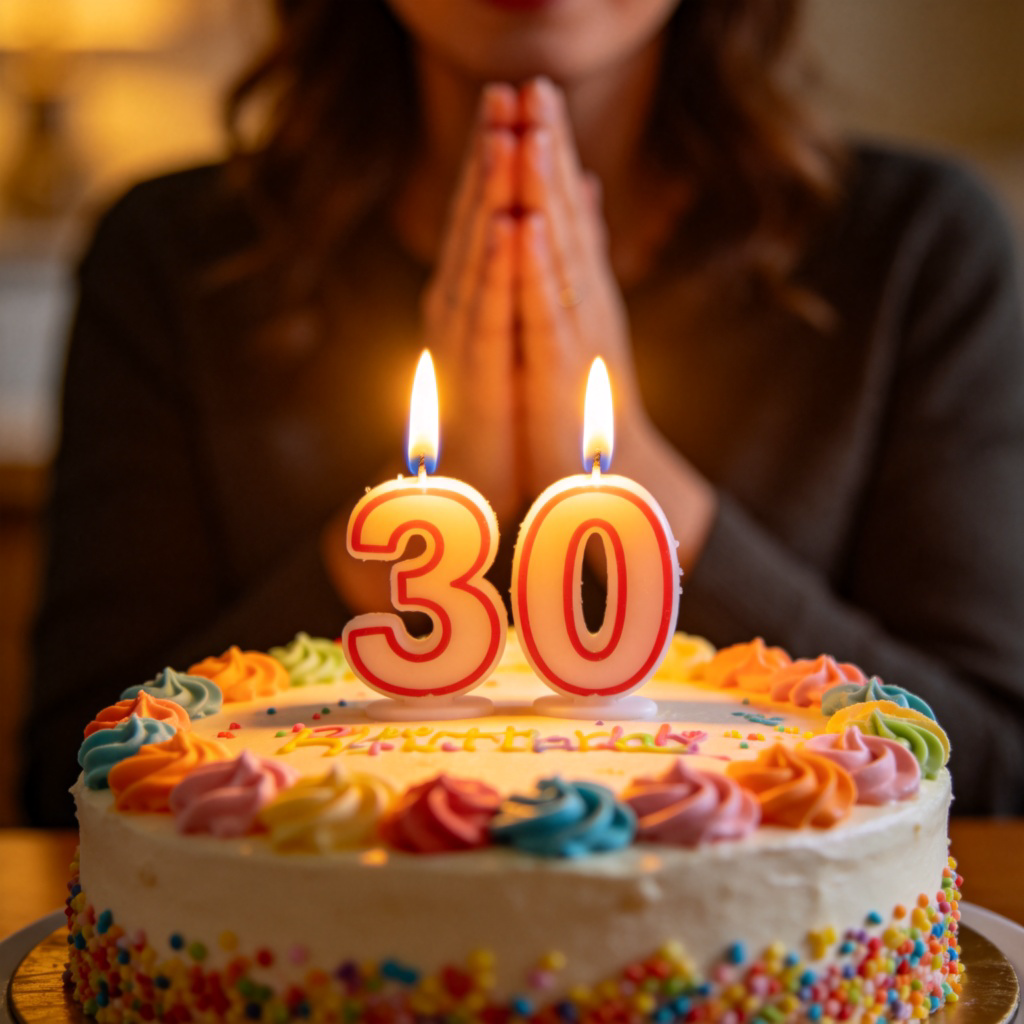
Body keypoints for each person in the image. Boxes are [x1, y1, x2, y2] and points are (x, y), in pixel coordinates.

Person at [22, 0, 1024, 825]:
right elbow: (69, 780)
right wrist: (423, 521)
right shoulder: (171, 258)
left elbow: (992, 775)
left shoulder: (914, 250)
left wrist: (634, 483)